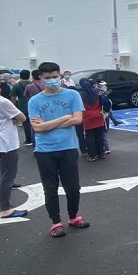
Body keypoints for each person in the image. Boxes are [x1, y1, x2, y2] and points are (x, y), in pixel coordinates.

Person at [27, 62, 89, 238]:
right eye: (48, 78)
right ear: (41, 78)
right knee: (50, 188)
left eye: (55, 76)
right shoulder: (35, 101)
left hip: (68, 147)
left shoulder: (72, 95)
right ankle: (55, 222)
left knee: (73, 187)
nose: (52, 80)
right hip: (44, 150)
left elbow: (77, 120)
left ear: (60, 75)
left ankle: (74, 216)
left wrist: (48, 125)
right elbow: (37, 129)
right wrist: (64, 117)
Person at [0, 69, 28, 218]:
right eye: (2, 79)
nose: (4, 82)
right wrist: (13, 119)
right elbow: (22, 117)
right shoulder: (2, 101)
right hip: (6, 143)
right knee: (7, 177)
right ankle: (6, 209)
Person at [78, 78, 106, 161]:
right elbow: (102, 101)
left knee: (89, 137)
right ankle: (101, 153)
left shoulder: (81, 95)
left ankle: (92, 155)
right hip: (98, 114)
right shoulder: (97, 91)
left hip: (87, 116)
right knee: (99, 136)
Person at [10, 69, 35, 146]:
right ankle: (35, 138)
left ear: (20, 76)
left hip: (23, 106)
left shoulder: (17, 85)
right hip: (33, 106)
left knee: (26, 123)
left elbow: (13, 97)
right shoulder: (33, 84)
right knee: (34, 122)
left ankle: (29, 139)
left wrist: (13, 106)